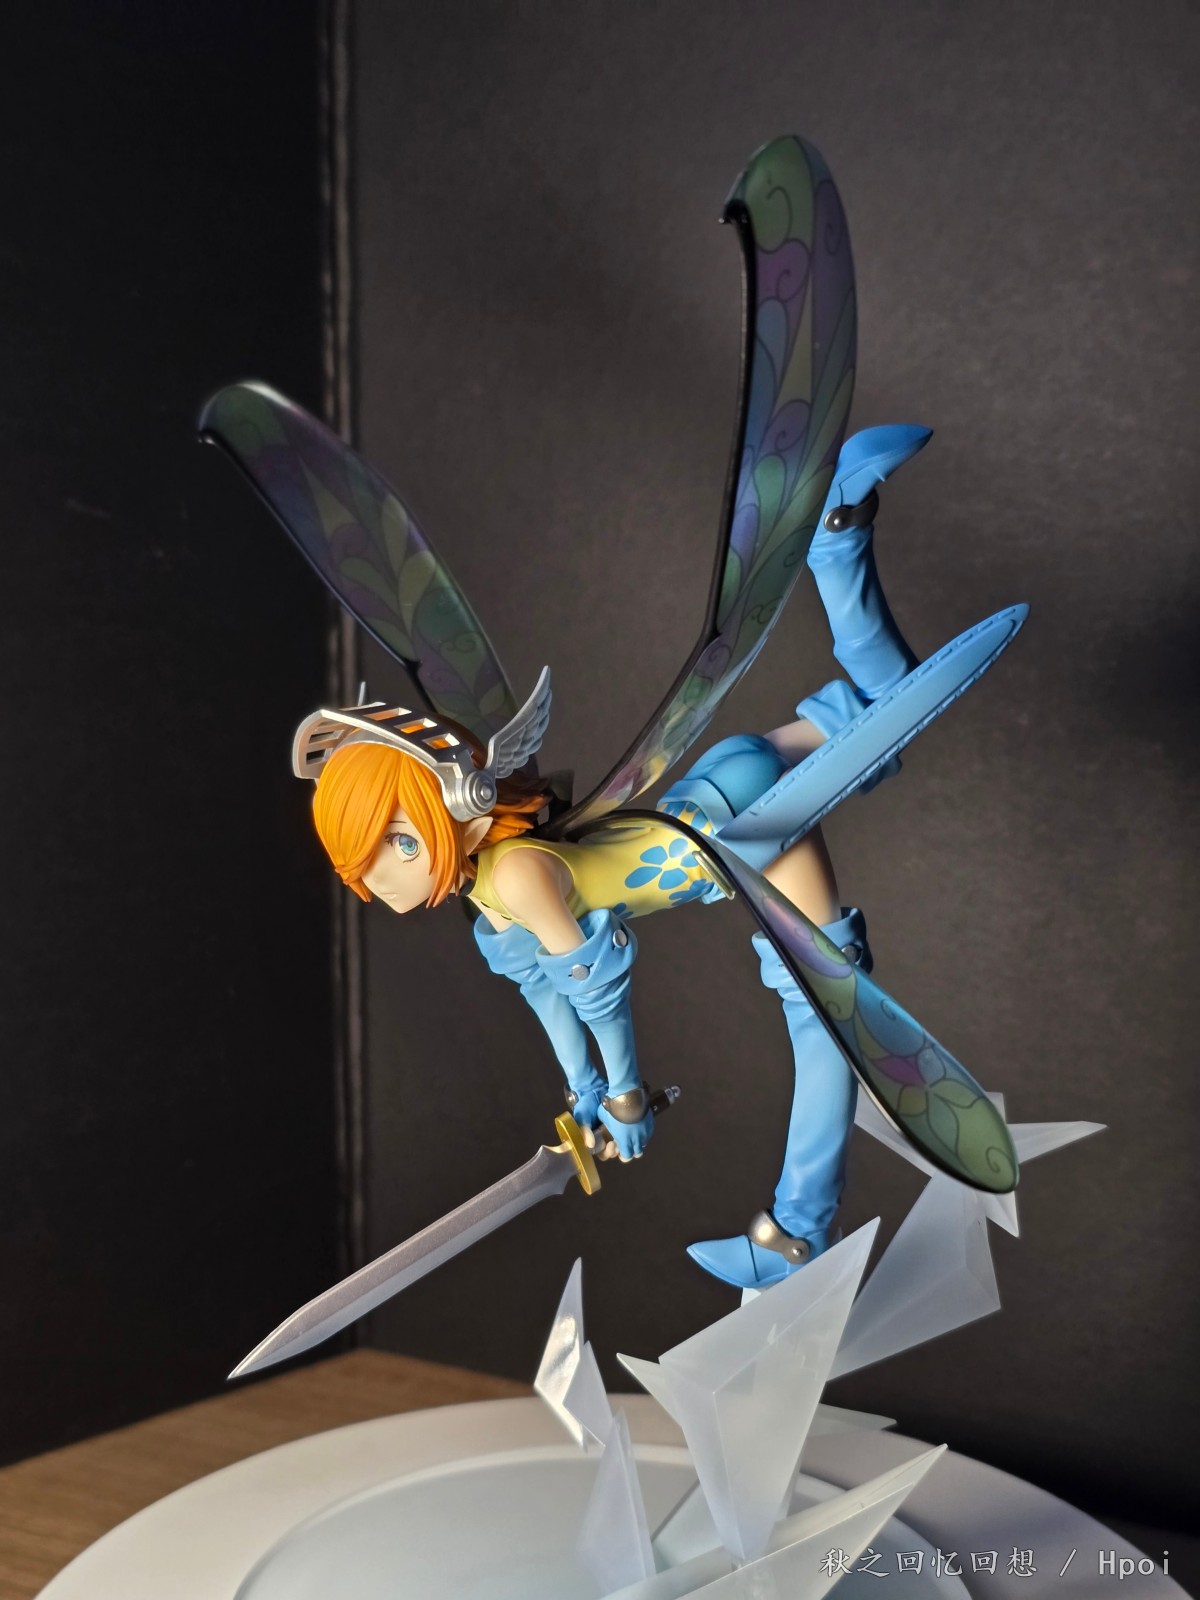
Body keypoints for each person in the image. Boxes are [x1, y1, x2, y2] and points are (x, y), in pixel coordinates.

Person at [298, 427, 930, 1291]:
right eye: (363, 858)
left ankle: (796, 1238)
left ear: (460, 809)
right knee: (882, 716)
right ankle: (839, 529)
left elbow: (600, 990)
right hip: (720, 794)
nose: (378, 878)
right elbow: (545, 992)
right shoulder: (489, 892)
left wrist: (626, 1092)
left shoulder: (516, 875)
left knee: (826, 1015)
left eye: (397, 844)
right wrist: (585, 1091)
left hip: (744, 831)